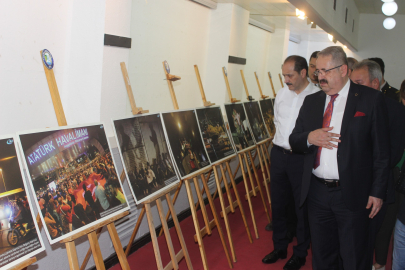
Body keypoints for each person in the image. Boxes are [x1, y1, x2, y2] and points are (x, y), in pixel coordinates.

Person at [289, 46, 390, 269]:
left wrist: (377, 191)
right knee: (323, 256)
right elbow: (294, 140)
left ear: (343, 69)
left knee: (353, 255)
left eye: (326, 71)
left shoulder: (370, 99)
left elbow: (382, 153)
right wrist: (310, 137)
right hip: (317, 193)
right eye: (317, 72)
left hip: (353, 193)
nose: (320, 77)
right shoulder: (313, 102)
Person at [262, 55, 318, 270]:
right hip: (278, 155)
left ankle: (301, 253)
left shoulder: (317, 96)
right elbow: (277, 121)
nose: (285, 79)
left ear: (303, 73)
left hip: (301, 158)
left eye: (290, 75)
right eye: (283, 74)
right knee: (278, 204)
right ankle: (279, 247)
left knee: (300, 207)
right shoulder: (281, 93)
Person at [350, 59, 405, 270]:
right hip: (354, 181)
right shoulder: (351, 104)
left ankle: (379, 264)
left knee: (380, 230)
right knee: (356, 231)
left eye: (358, 81)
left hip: (382, 181)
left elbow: (393, 151)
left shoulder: (394, 109)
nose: (353, 86)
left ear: (375, 83)